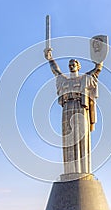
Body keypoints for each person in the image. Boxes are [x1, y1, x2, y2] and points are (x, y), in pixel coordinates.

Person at [44, 47, 103, 175]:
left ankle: (83, 171)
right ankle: (70, 172)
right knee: (68, 140)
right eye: (70, 64)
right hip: (67, 109)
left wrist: (99, 61)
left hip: (80, 107)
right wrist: (50, 59)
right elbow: (56, 71)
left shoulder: (84, 79)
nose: (71, 66)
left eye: (74, 64)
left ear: (78, 66)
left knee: (81, 138)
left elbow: (96, 71)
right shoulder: (64, 80)